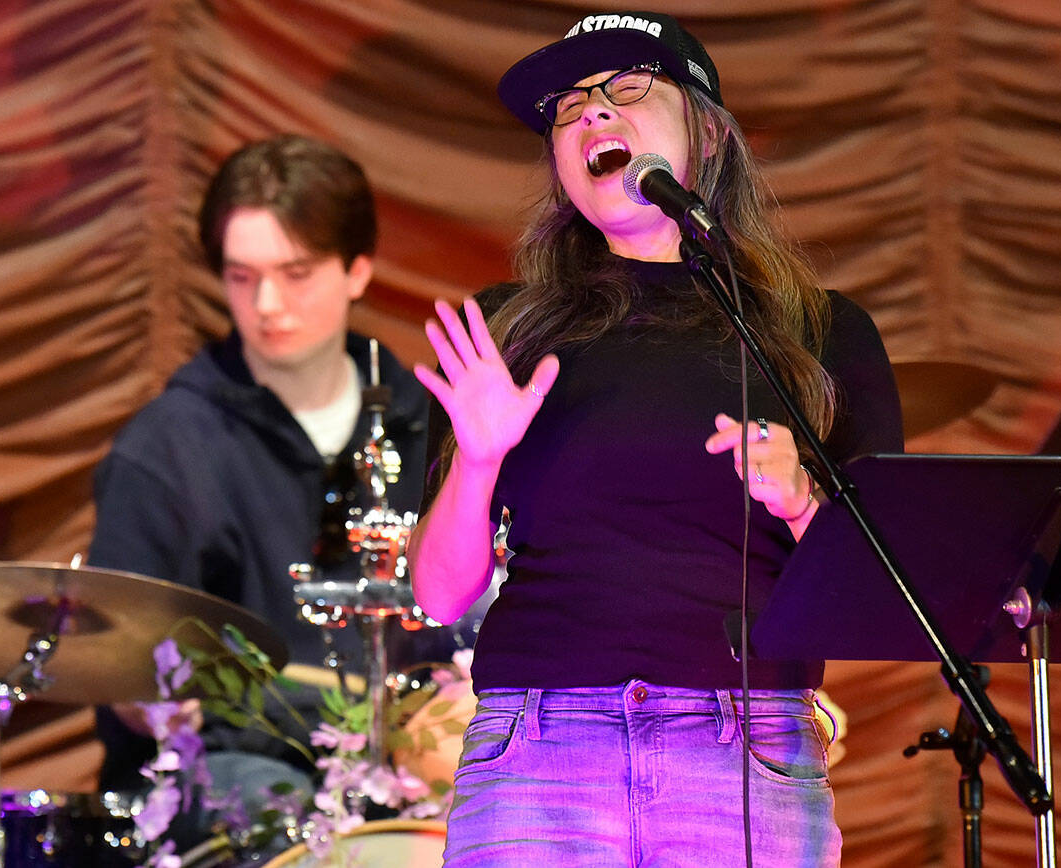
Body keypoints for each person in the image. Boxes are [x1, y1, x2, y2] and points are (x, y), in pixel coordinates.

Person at [409, 11, 902, 866]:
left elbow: (882, 596)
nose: (593, 112)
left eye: (628, 87)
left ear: (707, 134)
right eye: (569, 107)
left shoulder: (817, 332)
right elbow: (441, 595)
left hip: (744, 750)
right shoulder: (509, 331)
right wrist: (477, 459)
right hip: (538, 747)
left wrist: (801, 502)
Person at [88, 135, 440, 823]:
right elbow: (118, 659)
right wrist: (140, 697)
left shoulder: (430, 427)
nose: (267, 304)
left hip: (411, 767)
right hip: (236, 776)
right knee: (269, 804)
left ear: (358, 270)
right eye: (242, 277)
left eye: (295, 273)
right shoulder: (167, 446)